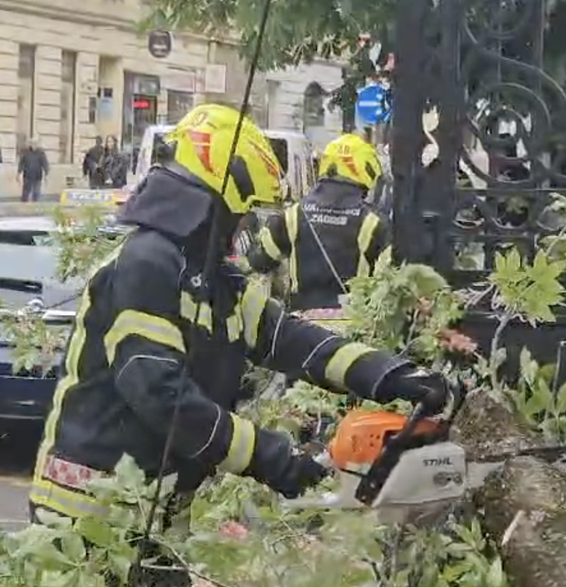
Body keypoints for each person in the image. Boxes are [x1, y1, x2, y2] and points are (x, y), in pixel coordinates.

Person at [28, 104, 454, 585]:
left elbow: (291, 341)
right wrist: (274, 459)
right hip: (89, 521)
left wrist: (392, 376)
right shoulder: (147, 265)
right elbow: (158, 392)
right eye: (241, 213)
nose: (242, 227)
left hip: (155, 515)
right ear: (214, 200)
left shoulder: (213, 283)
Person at [246, 133, 392, 311]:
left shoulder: (293, 214)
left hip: (302, 327)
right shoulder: (373, 223)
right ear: (367, 170)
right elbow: (388, 281)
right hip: (353, 326)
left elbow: (259, 261)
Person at [17, 137, 49, 202]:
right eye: (32, 143)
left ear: (37, 144)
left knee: (36, 192)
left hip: (37, 176)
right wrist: (18, 173)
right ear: (30, 144)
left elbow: (45, 164)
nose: (33, 145)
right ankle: (24, 204)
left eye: (35, 144)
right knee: (25, 192)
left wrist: (46, 174)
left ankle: (35, 206)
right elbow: (21, 163)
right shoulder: (26, 152)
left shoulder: (41, 153)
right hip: (27, 175)